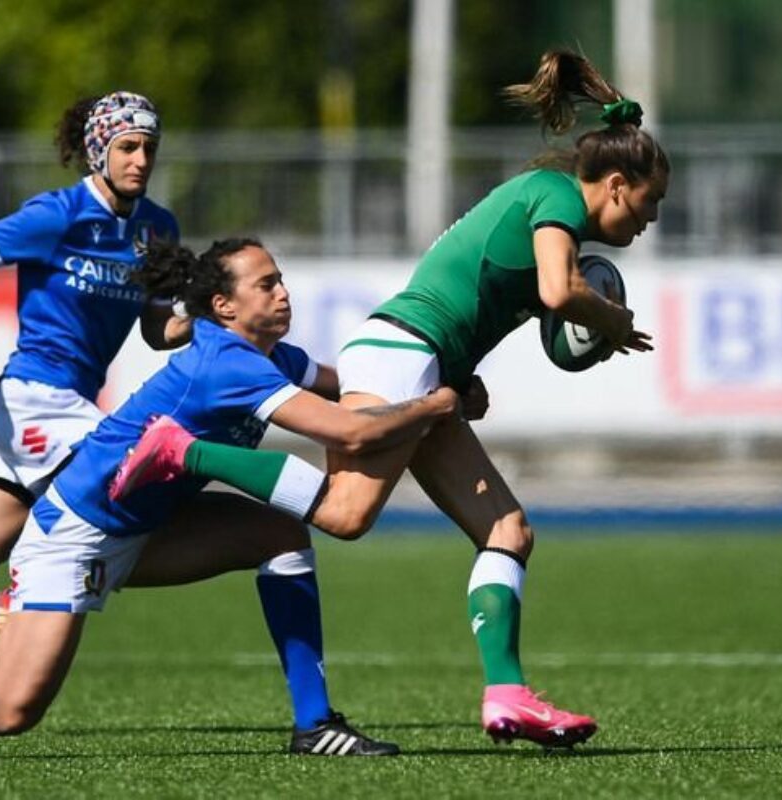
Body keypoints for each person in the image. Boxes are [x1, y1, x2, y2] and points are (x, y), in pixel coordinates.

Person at [110, 50, 669, 748]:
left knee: (508, 530)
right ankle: (187, 451)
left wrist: (459, 378)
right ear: (617, 185)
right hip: (402, 349)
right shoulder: (557, 199)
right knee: (346, 515)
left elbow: (478, 291)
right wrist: (613, 321)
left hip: (421, 355)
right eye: (652, 203)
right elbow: (559, 293)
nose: (652, 220)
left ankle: (507, 696)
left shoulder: (548, 203)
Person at [0, 238, 462, 758]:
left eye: (282, 280)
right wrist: (435, 402)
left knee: (280, 536)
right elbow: (349, 430)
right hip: (75, 538)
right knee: (9, 712)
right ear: (223, 307)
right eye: (268, 283)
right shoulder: (225, 365)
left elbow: (345, 389)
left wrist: (420, 382)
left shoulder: (268, 357)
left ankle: (316, 725)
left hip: (147, 526)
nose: (283, 293)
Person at [0, 91, 302, 721]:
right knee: (126, 480)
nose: (140, 158)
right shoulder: (57, 216)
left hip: (70, 405)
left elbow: (153, 330)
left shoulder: (157, 230)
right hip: (35, 398)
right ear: (98, 152)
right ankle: (16, 598)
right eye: (126, 146)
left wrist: (196, 324)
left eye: (149, 146)